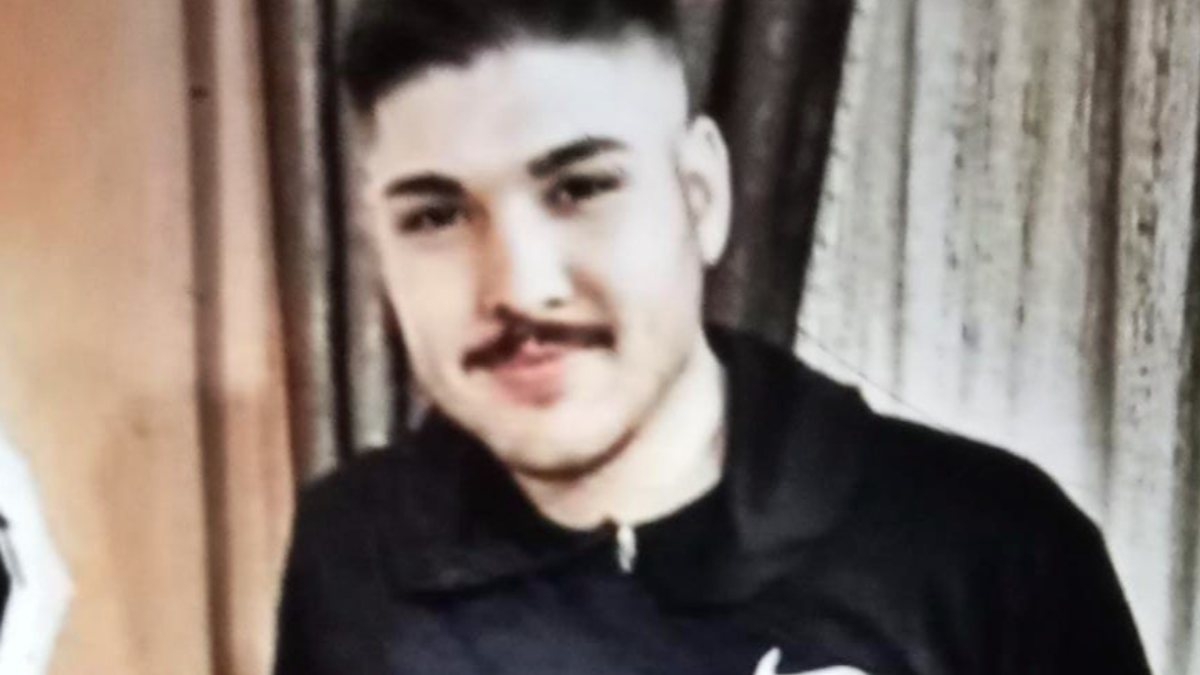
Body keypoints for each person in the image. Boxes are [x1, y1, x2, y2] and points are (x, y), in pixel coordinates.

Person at [272, 1, 1151, 673]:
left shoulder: (993, 548)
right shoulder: (349, 546)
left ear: (700, 196)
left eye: (580, 187)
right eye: (435, 214)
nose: (520, 286)